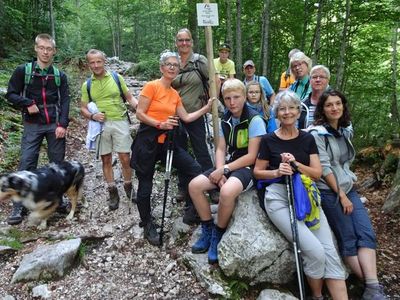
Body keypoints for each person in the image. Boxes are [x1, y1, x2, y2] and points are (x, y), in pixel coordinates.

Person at [253, 90, 348, 300]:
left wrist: (295, 163)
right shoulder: (268, 140)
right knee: (315, 251)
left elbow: (316, 173)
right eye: (282, 109)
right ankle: (317, 296)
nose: (287, 112)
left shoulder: (307, 138)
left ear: (298, 111)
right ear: (277, 113)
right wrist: (277, 171)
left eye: (292, 108)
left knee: (329, 251)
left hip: (307, 196)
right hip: (279, 197)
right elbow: (258, 171)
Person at [309, 90, 386, 300]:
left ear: (343, 106)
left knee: (365, 232)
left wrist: (347, 187)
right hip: (329, 192)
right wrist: (341, 194)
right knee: (348, 237)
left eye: (338, 104)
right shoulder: (317, 134)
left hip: (348, 188)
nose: (334, 108)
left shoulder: (343, 131)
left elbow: (344, 162)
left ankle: (373, 287)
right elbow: (324, 168)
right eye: (329, 105)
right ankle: (371, 287)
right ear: (322, 110)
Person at [131, 50, 213, 246]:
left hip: (169, 143)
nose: (172, 68)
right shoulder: (152, 87)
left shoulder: (175, 94)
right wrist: (160, 124)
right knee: (145, 186)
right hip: (148, 142)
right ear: (161, 67)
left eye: (175, 65)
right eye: (168, 64)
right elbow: (140, 114)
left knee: (194, 169)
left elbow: (185, 117)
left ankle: (192, 210)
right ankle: (147, 223)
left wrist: (206, 108)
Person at [189, 79, 266, 264]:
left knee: (227, 191)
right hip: (230, 163)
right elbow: (221, 148)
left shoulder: (255, 119)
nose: (232, 102)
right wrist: (219, 170)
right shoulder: (226, 118)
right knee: (194, 186)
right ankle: (206, 227)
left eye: (236, 97)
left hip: (248, 167)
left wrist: (224, 169)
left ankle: (218, 232)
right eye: (228, 98)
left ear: (245, 97)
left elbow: (252, 156)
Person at [5, 33, 70, 225]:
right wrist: (27, 103)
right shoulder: (23, 71)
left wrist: (62, 124)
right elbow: (11, 94)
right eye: (42, 48)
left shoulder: (59, 75)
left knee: (57, 165)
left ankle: (57, 200)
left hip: (54, 125)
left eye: (49, 49)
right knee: (26, 163)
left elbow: (65, 100)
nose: (45, 52)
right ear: (36, 48)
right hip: (32, 125)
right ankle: (19, 205)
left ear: (54, 51)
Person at [80, 49, 138, 211]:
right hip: (100, 125)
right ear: (88, 64)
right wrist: (92, 117)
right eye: (92, 62)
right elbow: (83, 109)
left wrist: (140, 108)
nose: (96, 65)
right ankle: (112, 191)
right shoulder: (87, 85)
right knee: (106, 159)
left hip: (120, 121)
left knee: (125, 157)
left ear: (104, 61)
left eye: (99, 61)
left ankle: (128, 187)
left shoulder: (116, 78)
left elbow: (129, 97)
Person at [171, 28, 214, 223]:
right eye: (181, 40)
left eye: (187, 40)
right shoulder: (172, 61)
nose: (184, 43)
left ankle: (210, 183)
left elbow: (214, 80)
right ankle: (183, 185)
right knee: (179, 151)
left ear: (192, 42)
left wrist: (211, 102)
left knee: (201, 149)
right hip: (175, 115)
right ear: (176, 42)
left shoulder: (200, 61)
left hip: (195, 112)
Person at [298, 65, 330, 129]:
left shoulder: (336, 104)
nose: (318, 80)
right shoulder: (302, 105)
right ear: (310, 80)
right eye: (314, 77)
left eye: (322, 77)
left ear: (328, 80)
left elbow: (347, 127)